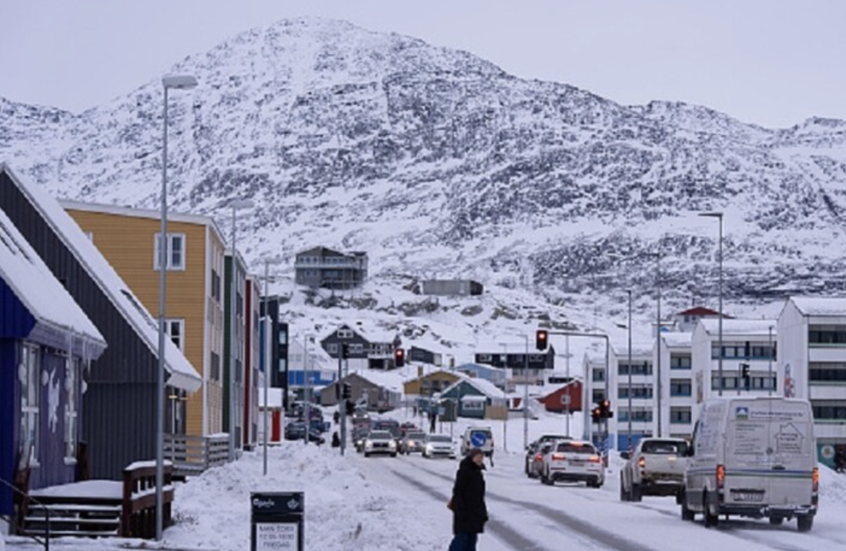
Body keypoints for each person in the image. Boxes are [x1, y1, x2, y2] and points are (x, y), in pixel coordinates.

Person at [448, 448, 488, 551]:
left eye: (481, 458)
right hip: (464, 512)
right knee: (461, 540)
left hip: (475, 513)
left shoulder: (478, 472)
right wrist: (460, 509)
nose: (480, 460)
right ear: (472, 458)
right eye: (478, 457)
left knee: (471, 541)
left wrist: (483, 513)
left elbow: (480, 496)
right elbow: (458, 491)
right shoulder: (464, 471)